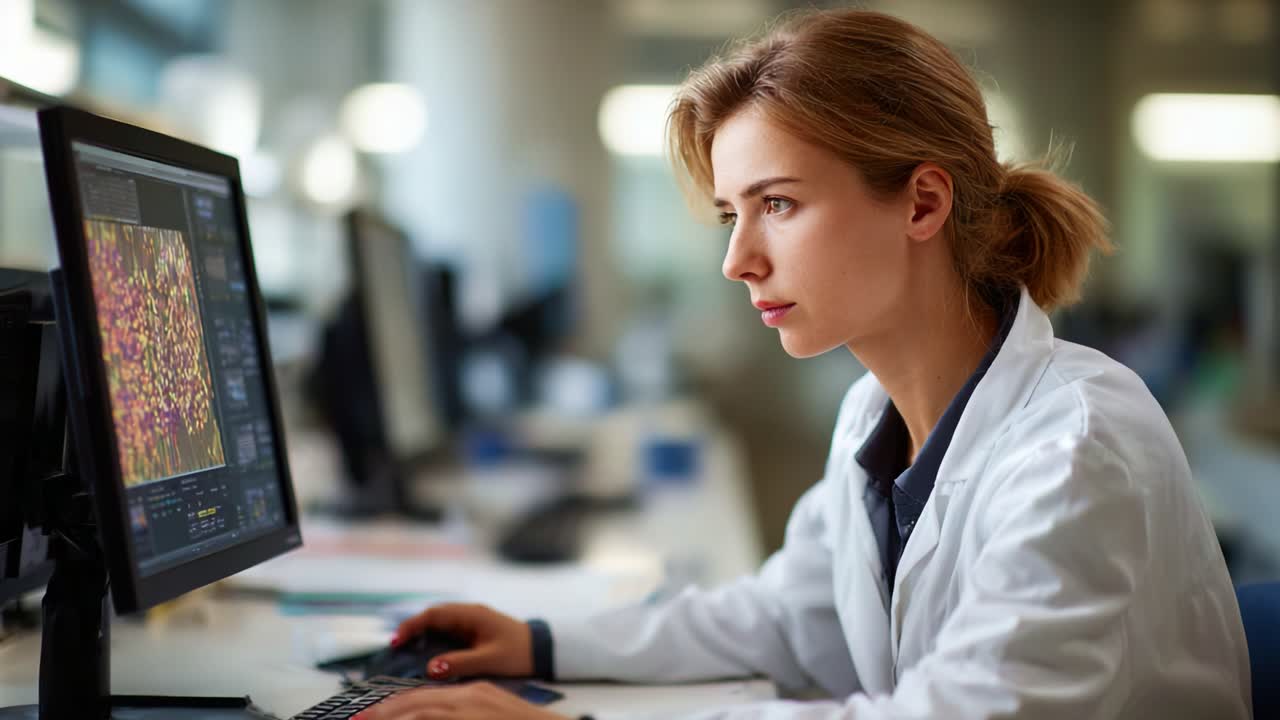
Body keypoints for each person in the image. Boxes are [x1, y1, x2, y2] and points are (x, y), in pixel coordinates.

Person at [354, 8, 1250, 720]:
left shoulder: (1077, 450)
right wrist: (540, 643)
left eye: (777, 203)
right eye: (729, 216)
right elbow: (787, 617)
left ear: (922, 202)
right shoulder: (874, 416)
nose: (737, 259)